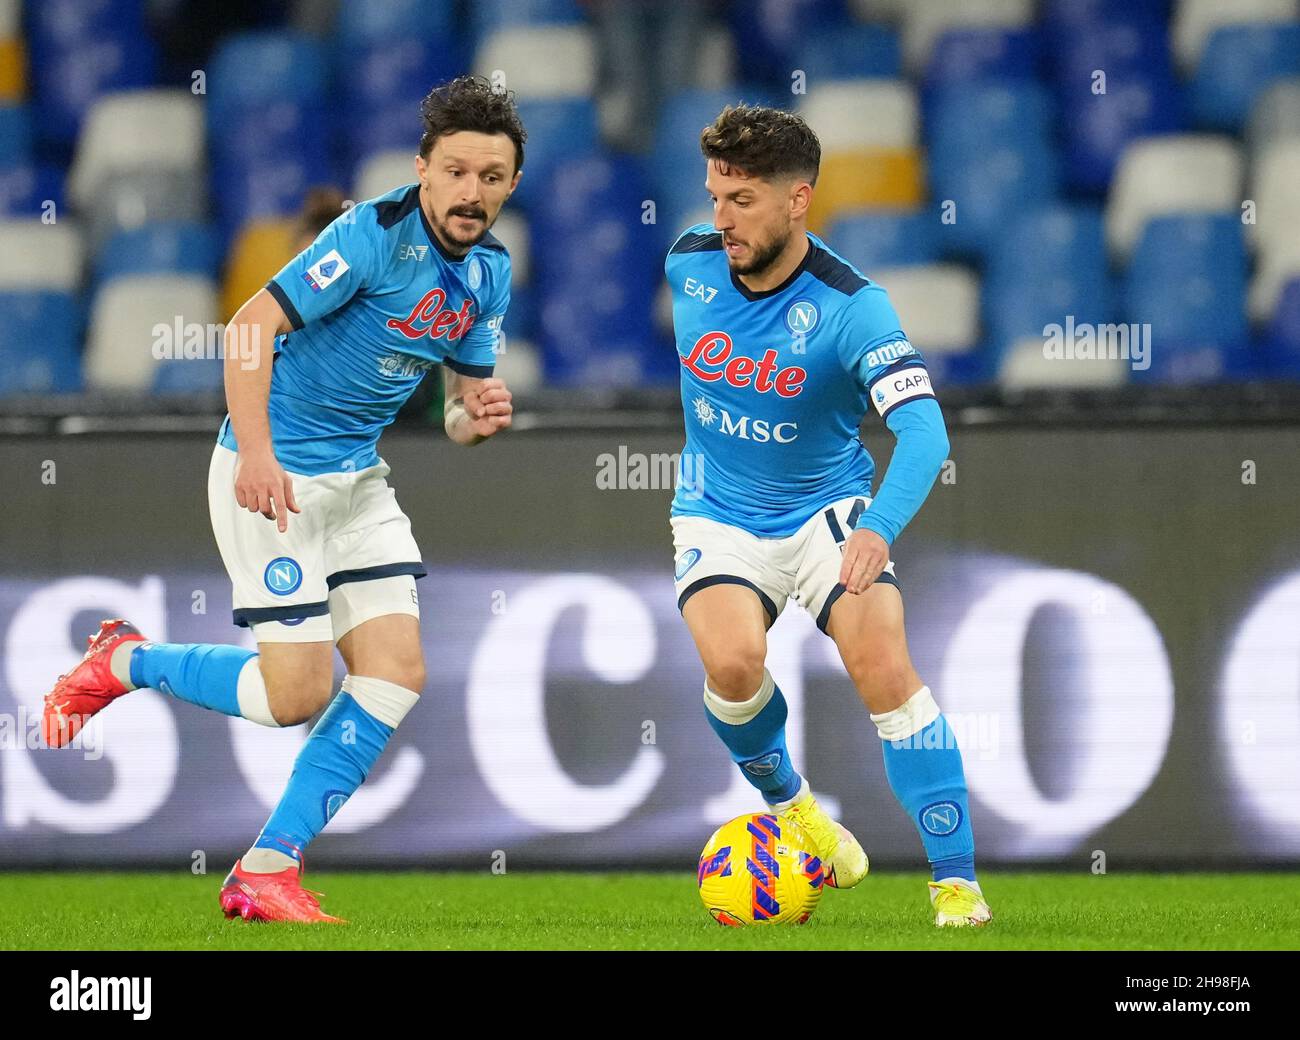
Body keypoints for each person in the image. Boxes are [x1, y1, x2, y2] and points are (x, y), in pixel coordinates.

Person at [41, 75, 523, 924]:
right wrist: (256, 452)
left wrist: (475, 416)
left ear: (510, 184)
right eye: (455, 172)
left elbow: (457, 415)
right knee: (292, 698)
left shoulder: (489, 274)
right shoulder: (373, 234)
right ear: (423, 169)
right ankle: (121, 662)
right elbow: (249, 327)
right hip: (275, 476)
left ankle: (267, 867)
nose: (471, 192)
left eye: (490, 177)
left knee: (396, 673)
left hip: (359, 482)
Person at [667, 104, 991, 926]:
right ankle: (797, 813)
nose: (721, 219)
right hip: (716, 511)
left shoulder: (855, 307)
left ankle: (955, 883)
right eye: (714, 196)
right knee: (733, 664)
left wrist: (877, 526)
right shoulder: (688, 263)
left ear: (798, 198)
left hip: (829, 510)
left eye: (742, 200)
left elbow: (924, 431)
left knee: (884, 667)